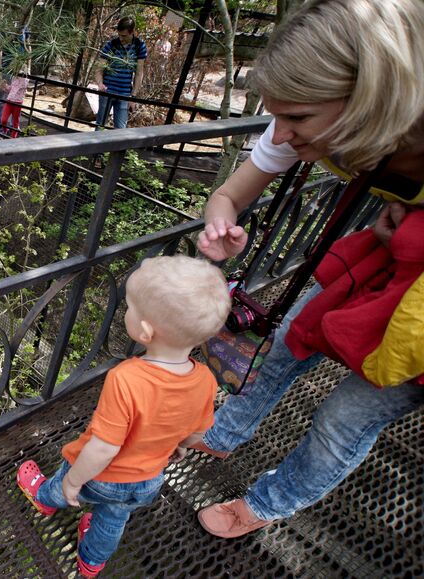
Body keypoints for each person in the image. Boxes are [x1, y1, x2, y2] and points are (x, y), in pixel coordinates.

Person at [190, 0, 424, 539]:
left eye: (297, 118)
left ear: (375, 101)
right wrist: (221, 224)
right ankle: (225, 432)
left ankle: (265, 504)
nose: (282, 133)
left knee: (344, 417)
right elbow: (229, 193)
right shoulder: (302, 127)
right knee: (288, 340)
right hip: (383, 266)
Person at [16, 256, 231, 577]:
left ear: (144, 331)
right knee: (113, 519)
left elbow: (103, 447)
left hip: (102, 477)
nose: (126, 312)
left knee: (65, 482)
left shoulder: (127, 378)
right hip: (148, 480)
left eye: (130, 308)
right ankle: (91, 561)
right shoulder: (205, 380)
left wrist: (74, 482)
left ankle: (46, 498)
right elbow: (198, 430)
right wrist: (182, 447)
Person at [93, 16, 147, 130]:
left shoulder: (139, 46)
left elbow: (139, 73)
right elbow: (99, 68)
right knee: (100, 125)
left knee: (121, 128)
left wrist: (134, 96)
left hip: (124, 93)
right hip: (108, 91)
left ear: (132, 32)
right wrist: (100, 84)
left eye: (124, 36)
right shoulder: (111, 45)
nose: (121, 38)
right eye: (119, 35)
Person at [0, 68, 29, 138]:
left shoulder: (25, 81)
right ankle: (5, 131)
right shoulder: (14, 78)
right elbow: (11, 89)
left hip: (17, 103)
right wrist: (5, 85)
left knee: (15, 121)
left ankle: (13, 137)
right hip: (9, 101)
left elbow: (23, 85)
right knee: (3, 120)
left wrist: (23, 73)